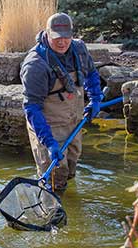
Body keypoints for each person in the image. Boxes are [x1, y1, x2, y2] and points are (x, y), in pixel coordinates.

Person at [20, 12, 102, 194]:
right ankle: (50, 209)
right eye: (57, 38)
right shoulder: (35, 65)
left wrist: (95, 98)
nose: (62, 42)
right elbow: (32, 108)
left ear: (72, 35)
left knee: (70, 170)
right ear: (47, 34)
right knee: (54, 178)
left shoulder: (79, 49)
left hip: (74, 121)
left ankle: (69, 204)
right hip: (48, 125)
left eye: (66, 38)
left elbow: (91, 74)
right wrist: (48, 143)